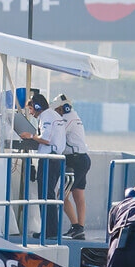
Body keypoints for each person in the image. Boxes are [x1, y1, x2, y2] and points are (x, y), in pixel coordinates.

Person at [18, 93, 67, 240]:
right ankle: (49, 229)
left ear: (37, 106)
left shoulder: (46, 116)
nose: (31, 112)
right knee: (49, 196)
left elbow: (45, 138)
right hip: (55, 159)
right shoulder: (53, 115)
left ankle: (49, 231)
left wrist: (30, 136)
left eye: (31, 109)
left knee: (45, 196)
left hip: (49, 160)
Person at [52, 93, 91, 240]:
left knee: (61, 195)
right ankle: (79, 228)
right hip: (83, 158)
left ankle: (76, 226)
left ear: (63, 108)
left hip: (74, 161)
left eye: (57, 109)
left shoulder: (67, 119)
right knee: (78, 196)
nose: (56, 112)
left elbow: (58, 135)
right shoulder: (75, 116)